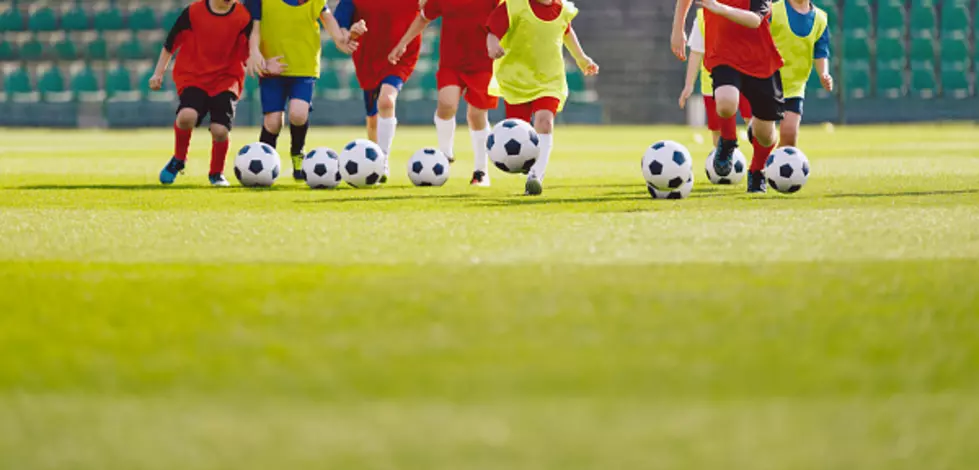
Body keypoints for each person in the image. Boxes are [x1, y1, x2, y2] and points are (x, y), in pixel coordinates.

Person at [485, 0, 598, 196]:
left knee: (544, 121)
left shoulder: (562, 9)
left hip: (549, 80)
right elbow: (492, 31)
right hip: (517, 80)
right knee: (520, 130)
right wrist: (492, 45)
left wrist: (582, 58)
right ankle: (526, 163)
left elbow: (566, 31)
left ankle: (536, 176)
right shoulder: (514, 5)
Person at [671, 0, 784, 193]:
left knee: (765, 135)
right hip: (723, 50)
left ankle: (757, 170)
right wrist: (677, 29)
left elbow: (755, 20)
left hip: (759, 59)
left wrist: (719, 8)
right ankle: (728, 140)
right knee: (725, 101)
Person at [245, 0, 363, 180]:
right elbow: (255, 28)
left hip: (304, 66)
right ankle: (264, 160)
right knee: (273, 122)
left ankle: (297, 153)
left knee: (298, 114)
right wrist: (255, 53)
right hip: (273, 65)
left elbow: (328, 19)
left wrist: (342, 39)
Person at [389, 0, 500, 187]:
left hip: (483, 63)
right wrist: (403, 43)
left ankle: (481, 171)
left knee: (477, 114)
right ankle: (445, 153)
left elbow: (506, 20)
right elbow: (423, 18)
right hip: (452, 61)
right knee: (446, 104)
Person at [152, 0, 253, 187]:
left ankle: (217, 173)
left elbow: (249, 49)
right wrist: (158, 73)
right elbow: (170, 44)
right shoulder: (193, 12)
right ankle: (179, 159)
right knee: (186, 117)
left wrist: (261, 63)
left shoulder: (243, 16)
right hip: (193, 76)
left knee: (220, 130)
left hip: (226, 78)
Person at [335, 0, 422, 183]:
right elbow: (340, 25)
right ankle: (374, 160)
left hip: (400, 54)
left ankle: (382, 161)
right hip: (368, 57)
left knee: (386, 101)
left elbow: (430, 11)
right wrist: (351, 31)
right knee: (373, 119)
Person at [678, 8, 753, 147]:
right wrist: (689, 85)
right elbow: (696, 52)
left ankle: (762, 162)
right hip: (712, 84)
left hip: (745, 79)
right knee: (718, 130)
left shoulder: (745, 11)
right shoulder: (702, 17)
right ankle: (721, 164)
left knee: (754, 123)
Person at [770, 0, 833, 149]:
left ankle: (774, 166)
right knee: (765, 136)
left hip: (795, 86)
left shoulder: (820, 19)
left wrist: (824, 74)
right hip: (768, 82)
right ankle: (761, 165)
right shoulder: (773, 11)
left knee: (789, 135)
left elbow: (821, 51)